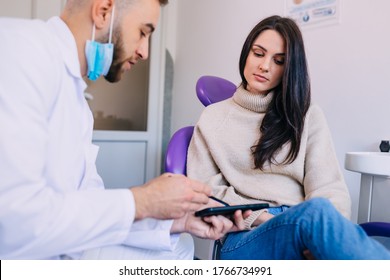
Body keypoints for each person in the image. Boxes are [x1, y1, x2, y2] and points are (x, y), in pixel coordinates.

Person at [0, 0, 248, 260]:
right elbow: (14, 223)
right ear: (103, 11)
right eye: (143, 32)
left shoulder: (78, 105)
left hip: (61, 245)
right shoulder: (22, 50)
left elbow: (89, 206)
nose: (144, 51)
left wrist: (176, 220)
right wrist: (143, 200)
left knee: (179, 247)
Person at [187, 15, 390, 260]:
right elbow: (206, 192)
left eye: (279, 60)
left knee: (323, 214)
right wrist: (263, 218)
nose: (264, 66)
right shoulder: (212, 118)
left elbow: (329, 188)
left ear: (289, 68)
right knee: (317, 214)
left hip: (305, 223)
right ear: (246, 54)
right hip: (243, 235)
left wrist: (318, 237)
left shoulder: (306, 114)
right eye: (258, 53)